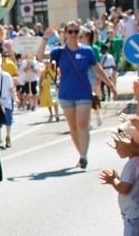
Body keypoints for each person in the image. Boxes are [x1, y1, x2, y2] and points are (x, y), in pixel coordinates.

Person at [40, 24, 116, 168]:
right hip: (66, 94)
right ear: (65, 34)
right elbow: (39, 56)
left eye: (76, 31)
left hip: (83, 92)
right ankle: (81, 153)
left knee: (82, 124)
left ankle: (83, 155)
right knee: (73, 127)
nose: (74, 34)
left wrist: (111, 85)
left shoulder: (87, 51)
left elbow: (98, 69)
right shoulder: (59, 51)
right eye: (71, 31)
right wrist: (45, 38)